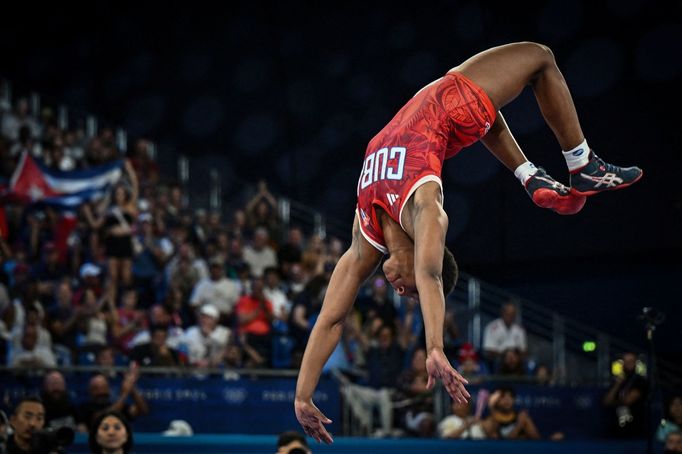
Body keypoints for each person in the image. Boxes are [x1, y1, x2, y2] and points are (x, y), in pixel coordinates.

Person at [294, 41, 643, 443]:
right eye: (411, 294)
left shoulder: (365, 238)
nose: (401, 291)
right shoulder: (426, 210)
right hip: (448, 104)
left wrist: (303, 396)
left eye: (405, 294)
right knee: (541, 59)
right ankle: (582, 164)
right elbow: (426, 273)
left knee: (490, 107)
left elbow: (332, 318)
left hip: (454, 113)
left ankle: (529, 174)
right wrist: (436, 347)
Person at [603, 352, 649, 438]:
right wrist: (617, 385)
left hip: (635, 426)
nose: (628, 364)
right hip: (615, 427)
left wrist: (613, 402)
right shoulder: (617, 381)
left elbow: (628, 401)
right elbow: (606, 401)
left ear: (636, 362)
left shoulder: (641, 381)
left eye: (631, 361)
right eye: (626, 361)